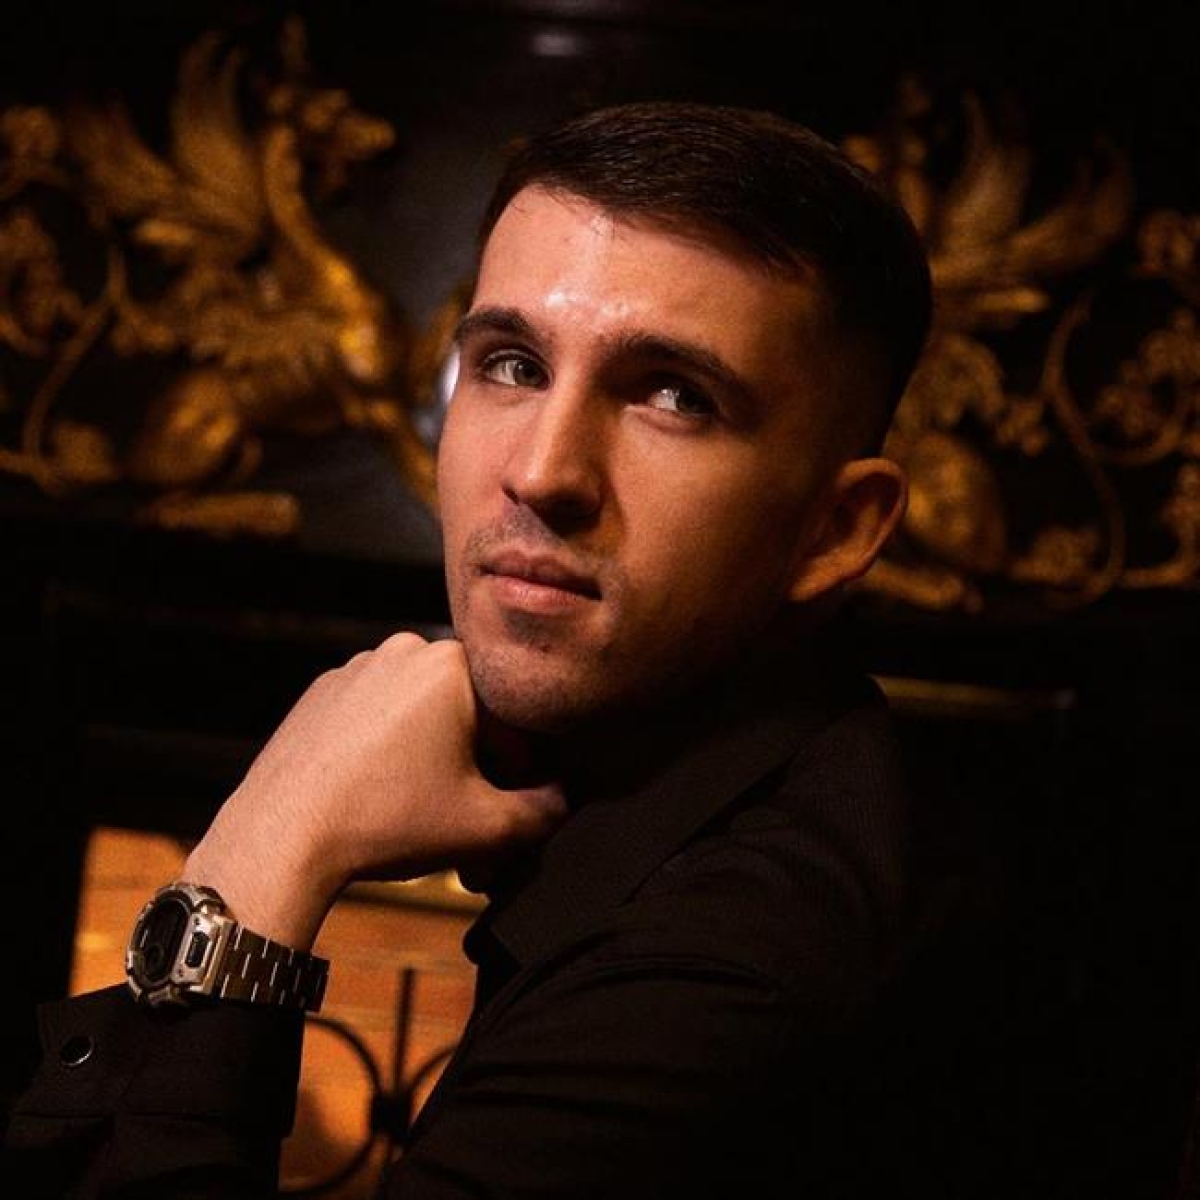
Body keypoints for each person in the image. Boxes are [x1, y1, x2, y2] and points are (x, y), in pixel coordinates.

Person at [5, 99, 942, 1197]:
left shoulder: (734, 969)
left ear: (836, 531)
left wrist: (262, 851)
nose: (542, 472)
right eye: (513, 364)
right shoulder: (695, 809)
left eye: (674, 396)